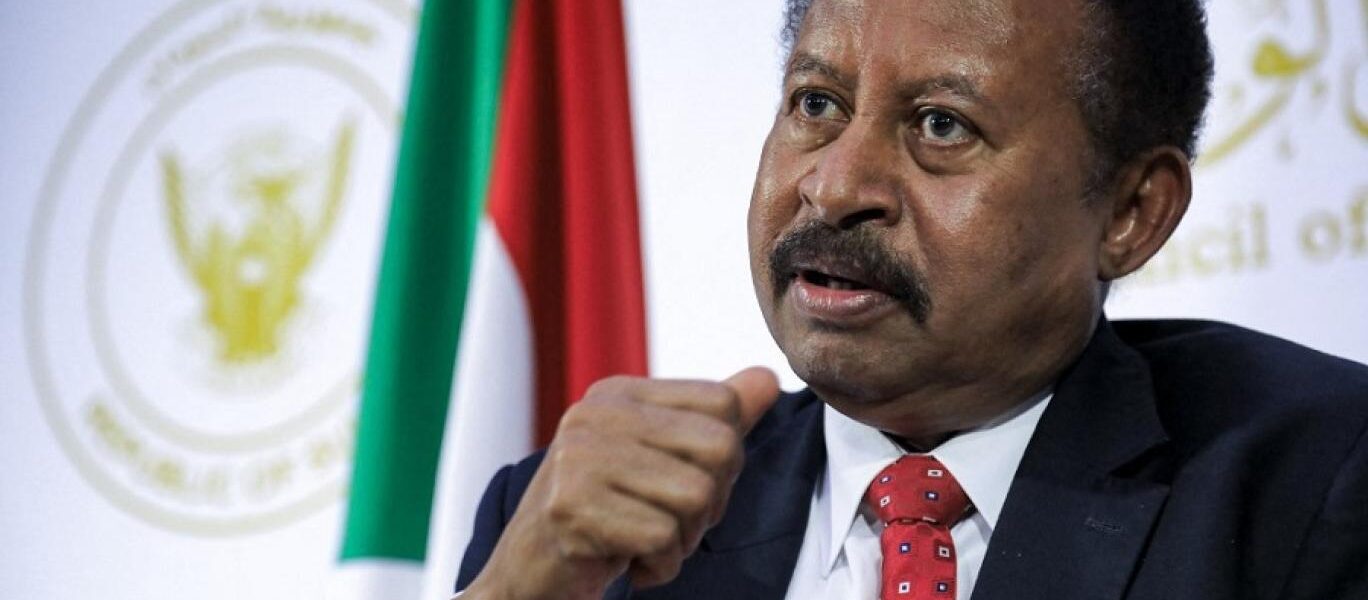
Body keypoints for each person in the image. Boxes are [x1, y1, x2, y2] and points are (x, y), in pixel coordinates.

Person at [453, 0, 1368, 598]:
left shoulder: (1310, 487)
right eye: (817, 104)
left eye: (941, 126)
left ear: (1132, 211)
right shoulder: (579, 532)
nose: (834, 186)